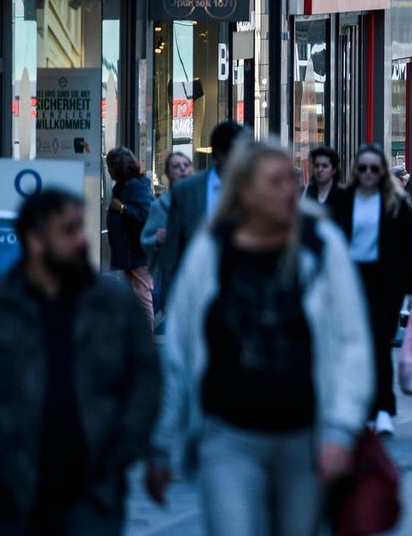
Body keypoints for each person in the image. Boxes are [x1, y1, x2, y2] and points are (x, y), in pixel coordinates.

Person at [153, 141, 371, 536]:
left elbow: (351, 343)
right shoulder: (212, 250)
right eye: (275, 182)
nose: (289, 190)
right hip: (227, 436)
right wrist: (163, 443)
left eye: (291, 179)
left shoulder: (320, 245)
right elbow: (180, 350)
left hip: (303, 437)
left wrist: (340, 430)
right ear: (245, 191)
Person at [0, 188, 163, 536]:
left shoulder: (112, 303)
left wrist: (124, 445)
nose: (82, 239)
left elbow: (146, 375)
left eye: (80, 227)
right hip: (16, 489)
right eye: (68, 230)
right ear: (35, 240)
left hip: (94, 487)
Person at [330, 144, 412, 436]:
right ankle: (362, 408)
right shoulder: (343, 200)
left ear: (382, 172)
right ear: (356, 170)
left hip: (385, 284)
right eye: (363, 168)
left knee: (380, 346)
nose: (368, 173)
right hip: (352, 281)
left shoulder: (396, 204)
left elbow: (406, 249)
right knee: (357, 348)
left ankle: (383, 410)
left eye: (374, 168)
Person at [157, 121, 251, 317]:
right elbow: (172, 247)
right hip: (196, 292)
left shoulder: (255, 190)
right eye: (241, 152)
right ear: (221, 154)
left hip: (244, 295)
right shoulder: (187, 191)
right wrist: (167, 295)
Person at [141, 149, 195, 320]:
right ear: (167, 173)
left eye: (186, 165)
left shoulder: (202, 201)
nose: (182, 169)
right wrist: (158, 239)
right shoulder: (159, 207)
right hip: (172, 277)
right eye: (176, 166)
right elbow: (146, 240)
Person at [106, 146, 156, 327]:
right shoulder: (126, 185)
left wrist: (122, 208)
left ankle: (146, 338)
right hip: (131, 253)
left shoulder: (133, 186)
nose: (108, 170)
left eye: (110, 166)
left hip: (137, 252)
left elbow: (146, 214)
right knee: (135, 298)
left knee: (142, 298)